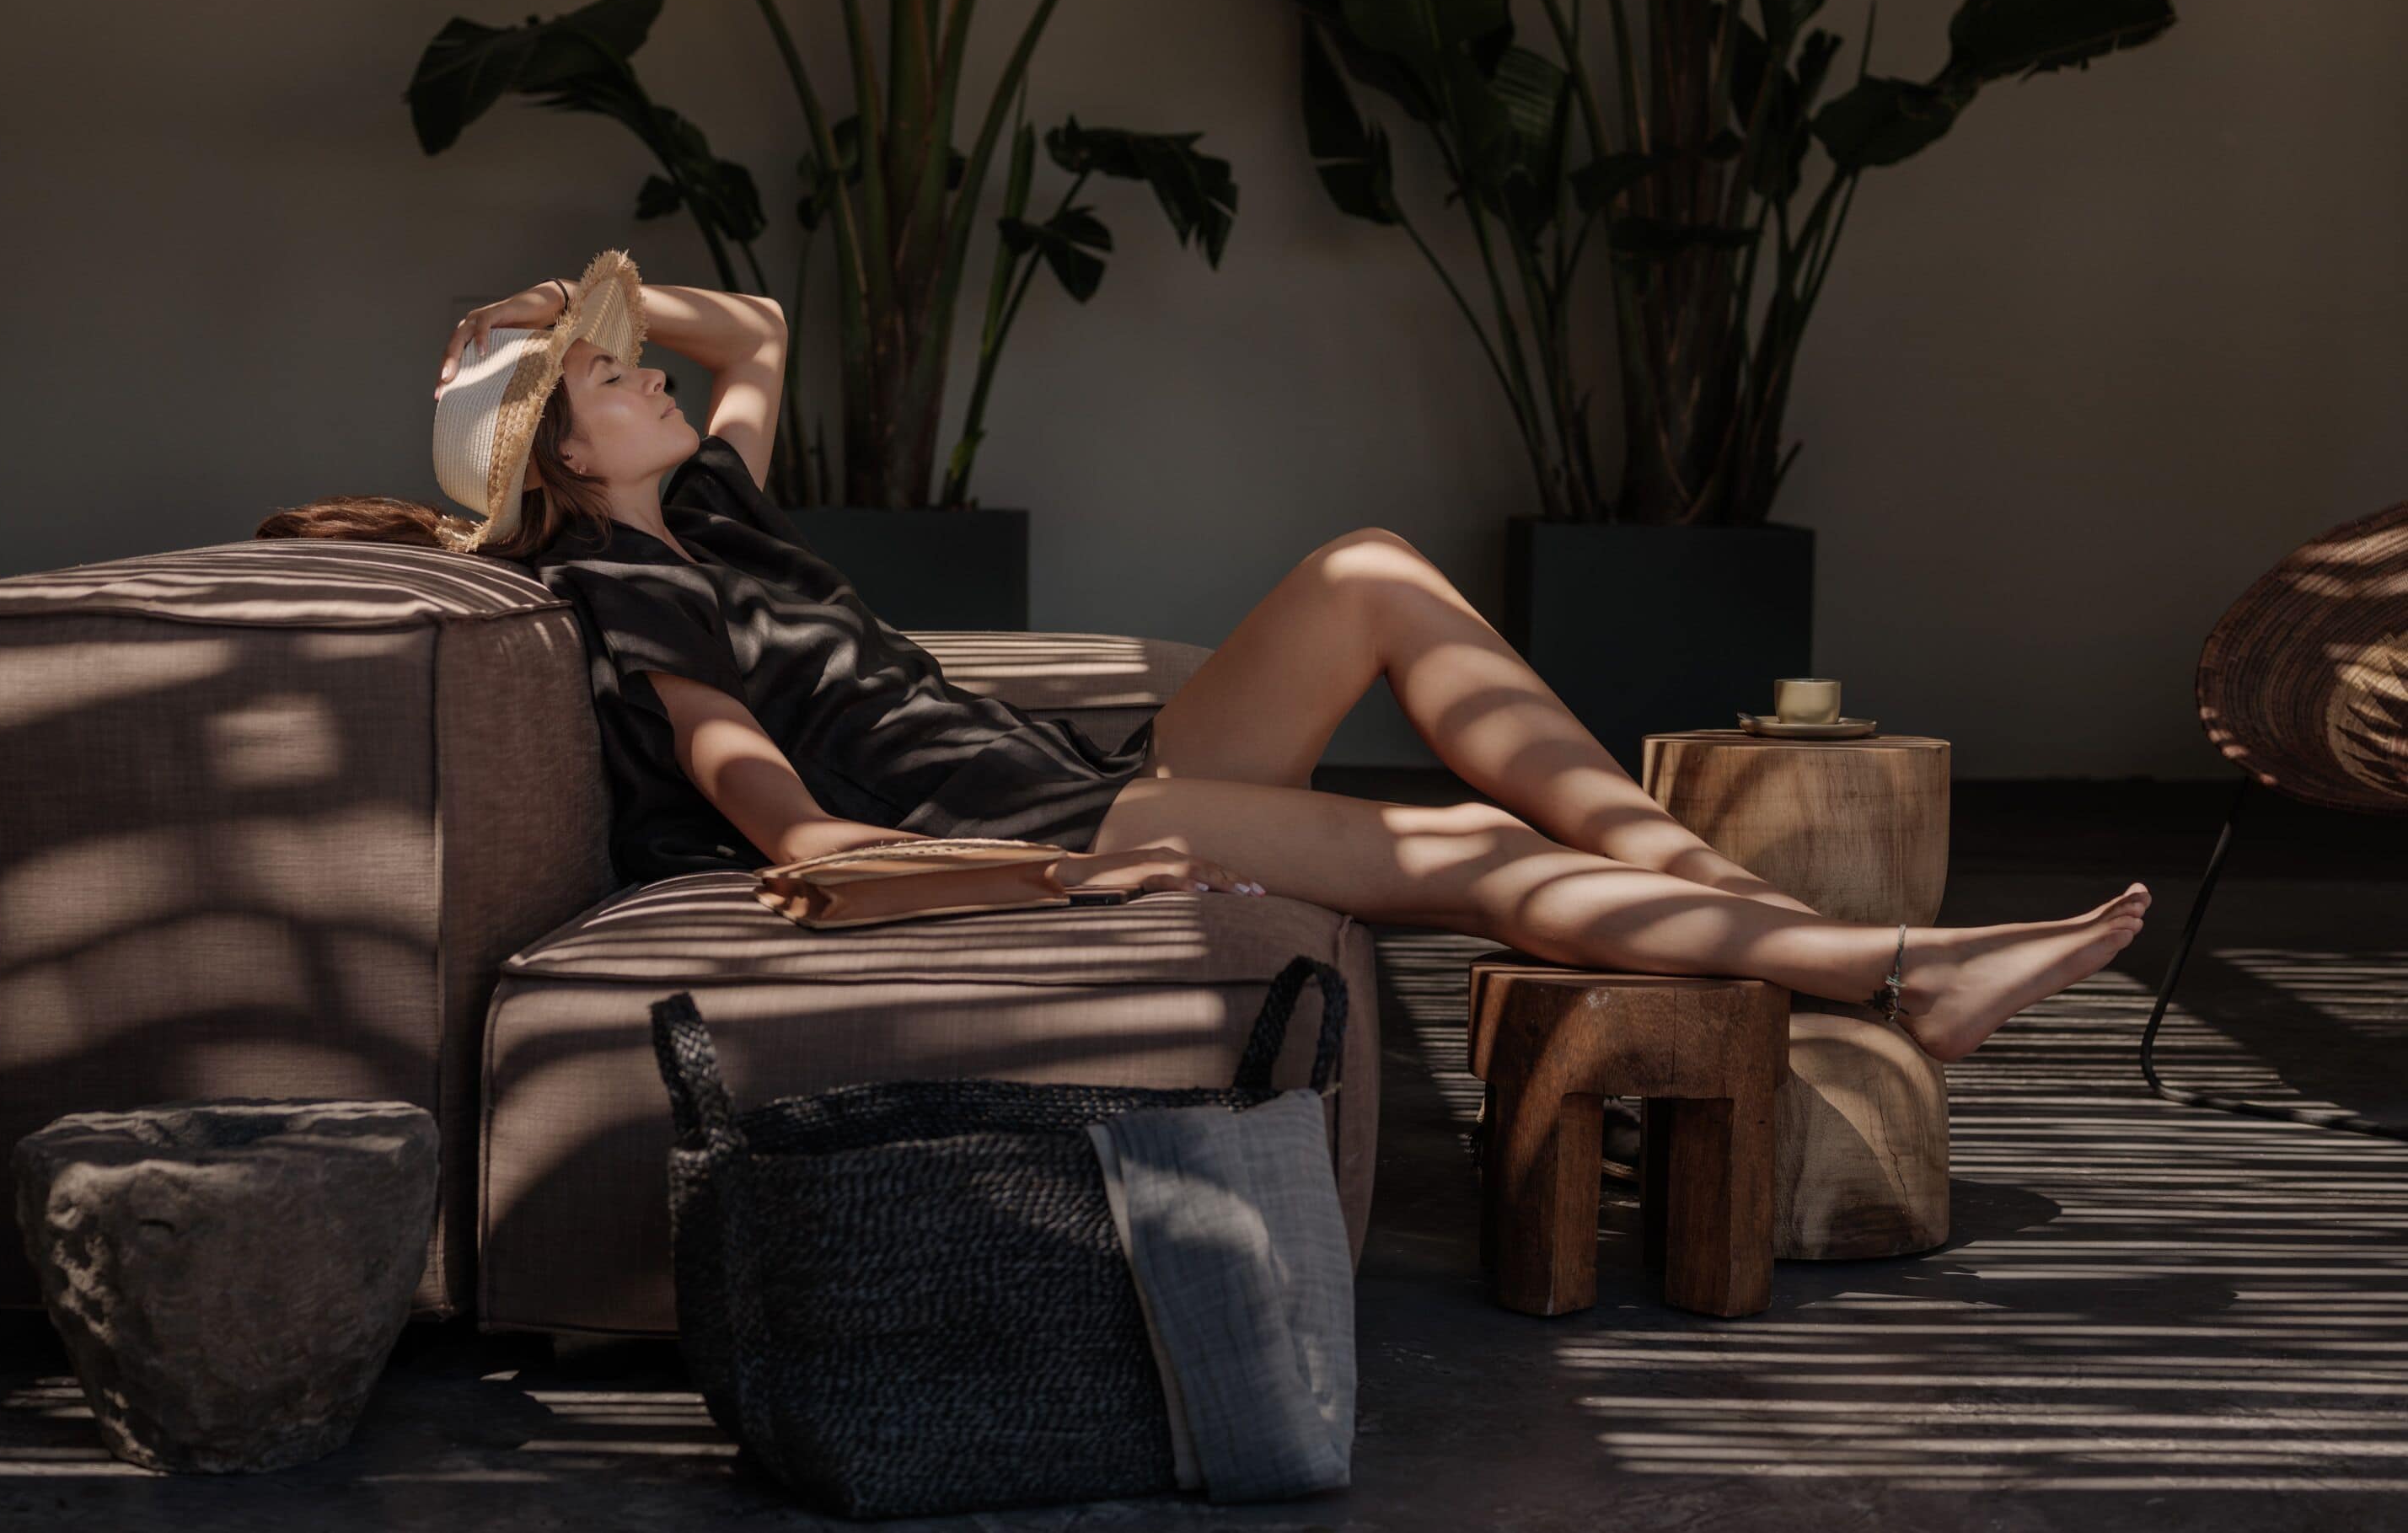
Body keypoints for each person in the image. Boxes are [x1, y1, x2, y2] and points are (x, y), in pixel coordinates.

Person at [260, 249, 2148, 1065]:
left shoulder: (713, 508)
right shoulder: (624, 578)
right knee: (1471, 860)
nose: (643, 373)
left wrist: (559, 312)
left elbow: (749, 322)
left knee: (1371, 572)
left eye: (620, 359)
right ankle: (1904, 972)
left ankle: (1712, 892)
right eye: (604, 382)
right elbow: (762, 797)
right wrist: (1032, 876)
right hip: (1028, 802)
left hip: (1050, 746)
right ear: (565, 464)